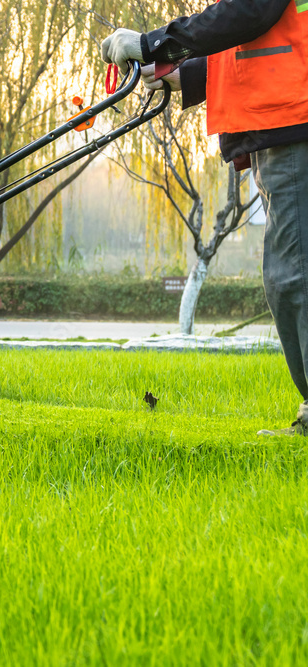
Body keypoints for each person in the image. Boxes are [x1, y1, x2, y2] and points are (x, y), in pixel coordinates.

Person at [101, 0, 308, 435]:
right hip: (282, 126)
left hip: (295, 124)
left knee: (296, 277)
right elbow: (249, 43)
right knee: (286, 277)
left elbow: (248, 13)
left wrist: (153, 44)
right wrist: (182, 74)